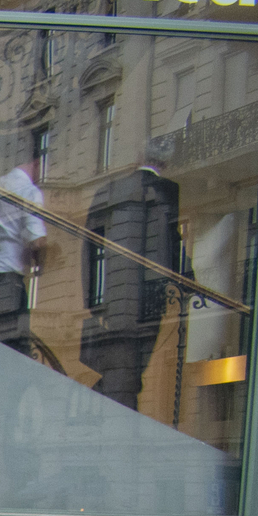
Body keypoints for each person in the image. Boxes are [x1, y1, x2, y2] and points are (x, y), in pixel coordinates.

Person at [80, 139, 181, 412]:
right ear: (166, 163)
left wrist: (91, 301)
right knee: (130, 374)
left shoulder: (106, 191)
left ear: (139, 156)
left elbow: (89, 250)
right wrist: (186, 278)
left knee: (120, 373)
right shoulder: (167, 190)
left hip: (109, 300)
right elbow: (172, 242)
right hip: (149, 301)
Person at [0, 158, 49, 356]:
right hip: (8, 279)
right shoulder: (29, 192)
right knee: (17, 348)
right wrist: (43, 263)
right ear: (36, 164)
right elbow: (37, 240)